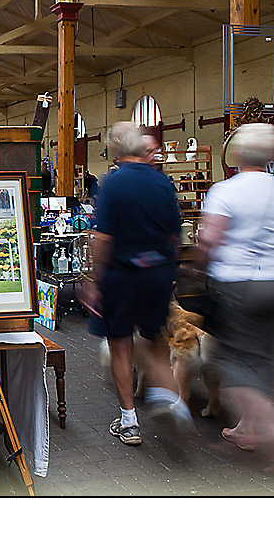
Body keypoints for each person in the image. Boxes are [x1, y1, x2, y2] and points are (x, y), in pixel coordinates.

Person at [195, 123, 274, 471]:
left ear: (239, 155)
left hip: (238, 283)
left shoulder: (225, 192)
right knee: (260, 358)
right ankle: (248, 430)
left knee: (232, 363)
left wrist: (200, 263)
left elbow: (211, 239)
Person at [79, 122, 191, 446]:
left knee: (121, 346)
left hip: (121, 276)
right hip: (156, 273)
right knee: (155, 338)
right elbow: (174, 235)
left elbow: (103, 238)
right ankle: (172, 400)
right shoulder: (162, 183)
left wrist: (93, 280)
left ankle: (129, 421)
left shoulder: (113, 184)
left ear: (115, 148)